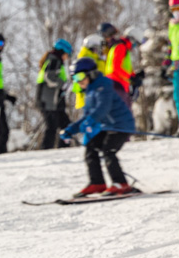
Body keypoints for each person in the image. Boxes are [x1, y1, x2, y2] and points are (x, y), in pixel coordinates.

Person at [59, 59, 138, 196]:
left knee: (108, 150)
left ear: (92, 74)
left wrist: (89, 122)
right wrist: (71, 129)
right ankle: (97, 183)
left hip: (121, 125)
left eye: (80, 77)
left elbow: (102, 109)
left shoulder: (103, 86)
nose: (78, 81)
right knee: (91, 147)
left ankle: (121, 183)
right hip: (107, 126)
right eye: (74, 78)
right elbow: (88, 116)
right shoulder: (90, 91)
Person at [36, 39, 72, 149]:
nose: (67, 58)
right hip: (48, 100)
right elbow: (50, 77)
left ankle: (63, 148)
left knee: (65, 124)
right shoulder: (54, 60)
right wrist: (63, 85)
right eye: (67, 54)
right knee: (52, 126)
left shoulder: (55, 60)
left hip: (54, 100)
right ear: (62, 51)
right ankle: (46, 150)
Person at [98, 22, 135, 107]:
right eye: (107, 37)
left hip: (116, 84)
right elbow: (116, 67)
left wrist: (133, 77)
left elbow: (124, 67)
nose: (109, 39)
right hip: (115, 84)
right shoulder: (118, 47)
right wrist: (130, 77)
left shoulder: (114, 47)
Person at [166, 0, 179, 130]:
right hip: (176, 65)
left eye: (178, 8)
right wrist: (167, 61)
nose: (176, 12)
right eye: (173, 9)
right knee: (178, 96)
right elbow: (171, 44)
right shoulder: (172, 25)